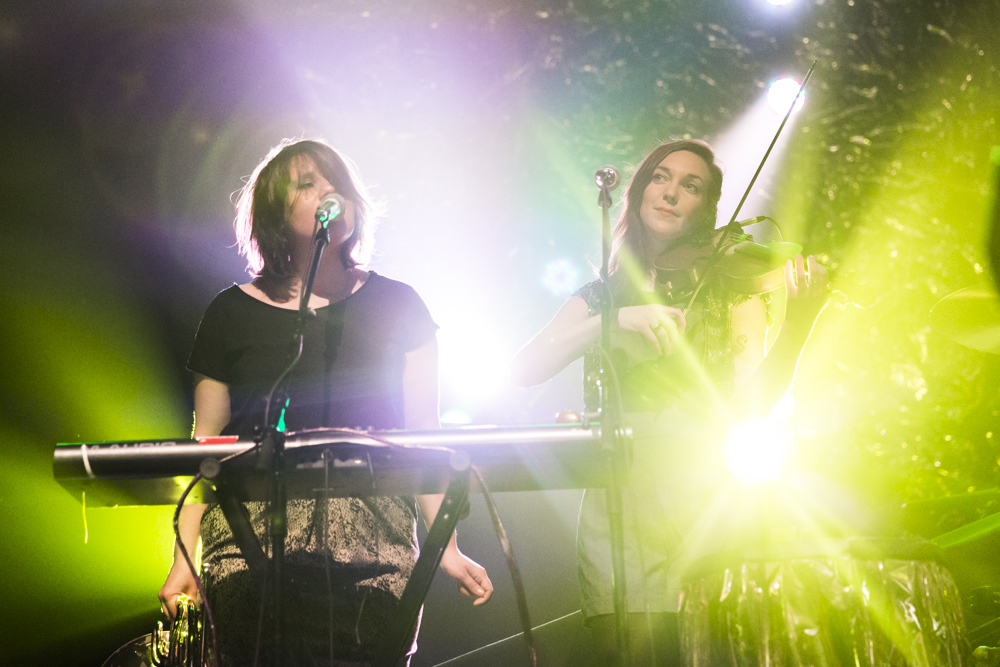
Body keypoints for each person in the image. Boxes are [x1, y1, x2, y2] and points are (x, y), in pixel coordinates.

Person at [158, 138, 492, 667]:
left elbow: (422, 436)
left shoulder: (399, 303)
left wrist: (445, 547)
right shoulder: (229, 312)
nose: (327, 191)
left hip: (374, 537)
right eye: (307, 184)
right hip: (249, 536)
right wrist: (183, 560)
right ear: (273, 210)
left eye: (335, 181)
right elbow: (204, 446)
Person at [510, 139, 828, 665]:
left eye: (691, 186)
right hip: (619, 506)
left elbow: (753, 405)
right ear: (637, 192)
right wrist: (611, 320)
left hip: (705, 503)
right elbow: (523, 369)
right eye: (661, 177)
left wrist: (798, 326)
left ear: (707, 209)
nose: (672, 192)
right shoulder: (601, 296)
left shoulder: (732, 290)